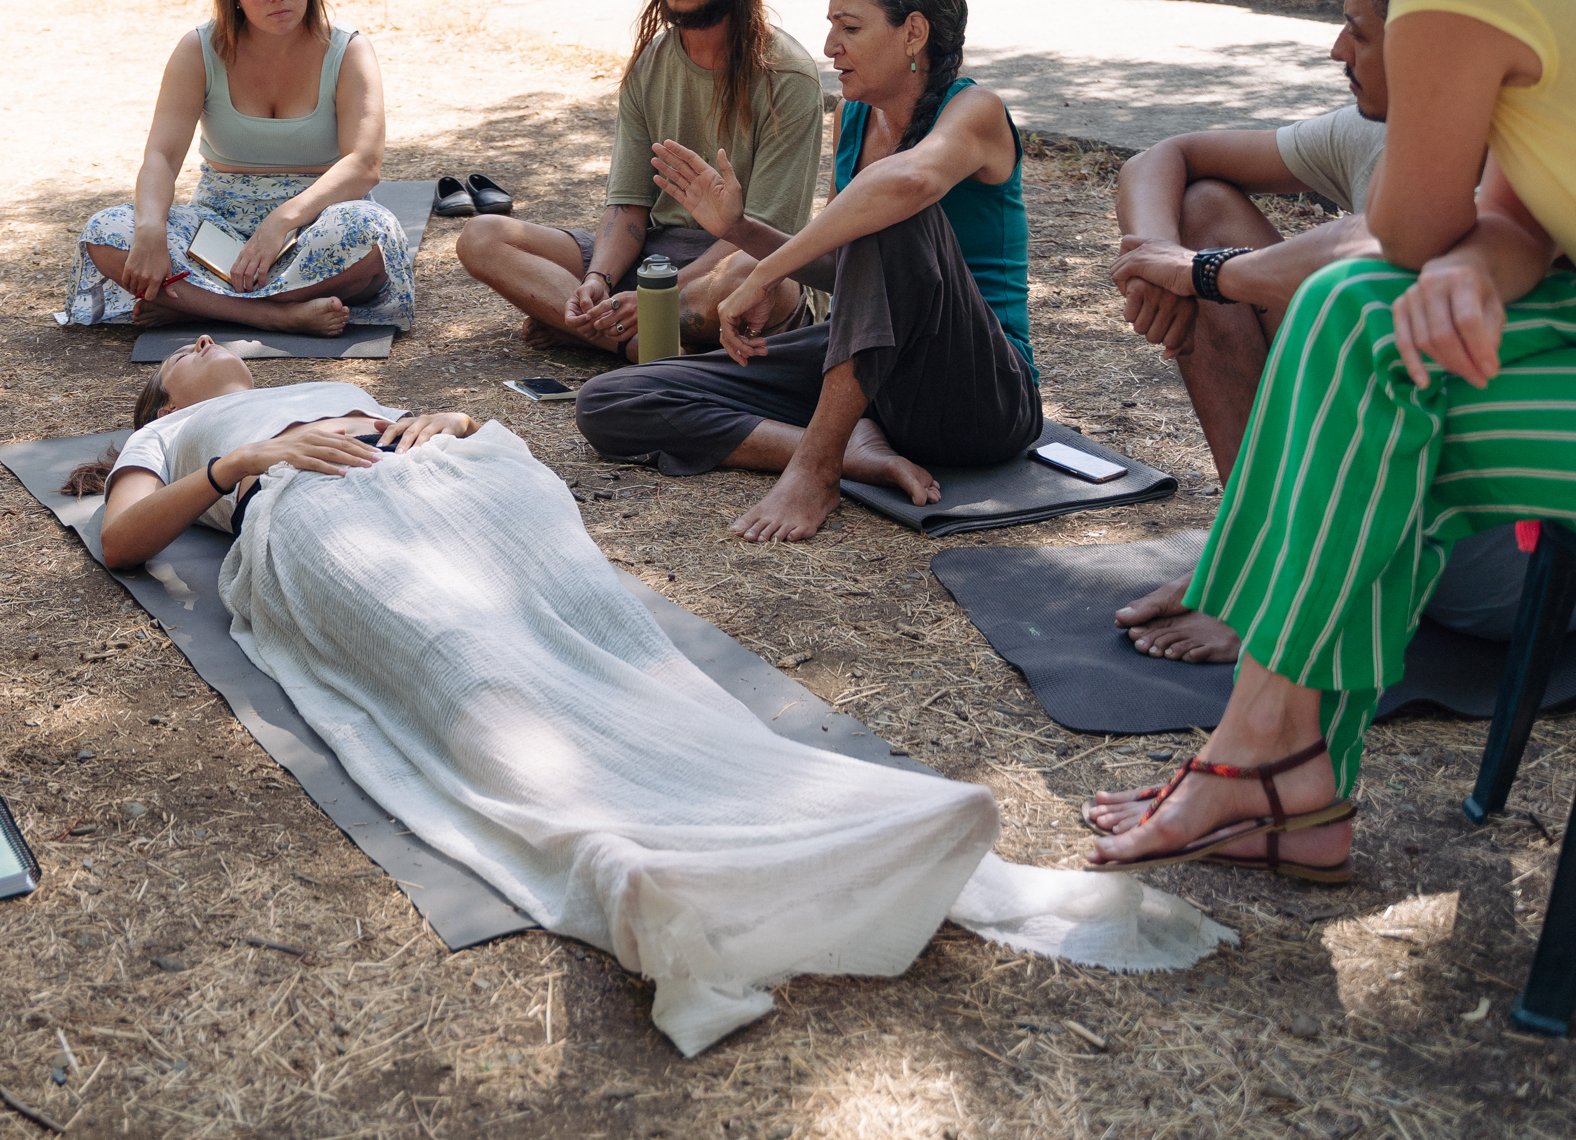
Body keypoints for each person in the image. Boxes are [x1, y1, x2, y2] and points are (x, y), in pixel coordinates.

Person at [62, 342, 1228, 1057]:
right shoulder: (169, 430)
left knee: (606, 641)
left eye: (216, 340)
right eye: (186, 351)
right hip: (316, 507)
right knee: (465, 658)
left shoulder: (326, 375)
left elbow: (447, 424)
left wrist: (450, 420)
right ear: (162, 396)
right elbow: (122, 538)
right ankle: (622, 853)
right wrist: (240, 462)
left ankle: (809, 804)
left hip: (455, 473)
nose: (207, 343)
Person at [1085, 0, 1576, 886]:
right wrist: (1471, 265)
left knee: (1365, 401)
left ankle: (1271, 762)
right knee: (1357, 333)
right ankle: (1277, 761)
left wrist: (1443, 260)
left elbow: (1403, 231)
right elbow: (1501, 225)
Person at [1101, 0, 1576, 661]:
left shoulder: (1537, 155)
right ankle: (1255, 552)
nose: (1337, 49)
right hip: (1397, 515)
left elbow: (1382, 247)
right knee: (1205, 209)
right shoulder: (1373, 134)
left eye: (1358, 34)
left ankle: (1282, 583)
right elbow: (1163, 157)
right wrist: (1159, 261)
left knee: (1360, 302)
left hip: (1520, 563)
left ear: (1425, 48)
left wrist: (1202, 273)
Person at [576, 0, 1038, 542]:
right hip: (877, 379)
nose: (829, 47)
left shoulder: (975, 110)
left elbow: (908, 186)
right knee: (613, 399)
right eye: (830, 27)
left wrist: (762, 274)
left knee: (886, 204)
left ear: (913, 33)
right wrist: (737, 229)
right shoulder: (854, 117)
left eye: (850, 28)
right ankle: (854, 454)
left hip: (981, 395)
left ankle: (816, 468)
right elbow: (851, 267)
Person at [457, 0, 824, 359]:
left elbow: (765, 238)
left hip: (738, 264)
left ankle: (618, 337)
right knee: (482, 236)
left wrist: (662, 295)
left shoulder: (788, 76)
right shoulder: (650, 63)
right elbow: (628, 205)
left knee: (745, 279)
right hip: (654, 260)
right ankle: (640, 343)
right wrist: (598, 278)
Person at [65, 0, 414, 334]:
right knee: (106, 232)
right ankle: (276, 315)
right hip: (218, 227)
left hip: (316, 220)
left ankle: (197, 304)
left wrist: (280, 222)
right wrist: (150, 229)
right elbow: (161, 156)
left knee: (372, 233)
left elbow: (364, 164)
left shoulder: (348, 49)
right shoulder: (198, 50)